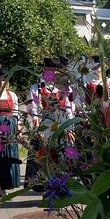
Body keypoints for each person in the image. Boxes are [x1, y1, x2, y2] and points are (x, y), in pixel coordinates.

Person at [25, 58, 74, 191]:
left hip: (61, 125)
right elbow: (32, 108)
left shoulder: (63, 87)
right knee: (44, 156)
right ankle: (44, 185)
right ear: (44, 70)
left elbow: (68, 108)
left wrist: (70, 128)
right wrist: (36, 124)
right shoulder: (36, 87)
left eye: (55, 70)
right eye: (50, 70)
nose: (53, 73)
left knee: (61, 156)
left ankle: (62, 184)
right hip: (45, 126)